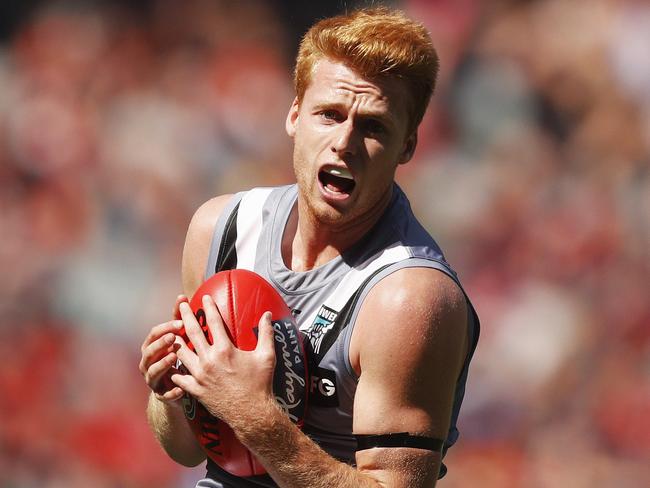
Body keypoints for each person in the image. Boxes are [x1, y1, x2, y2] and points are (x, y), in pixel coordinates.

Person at [139, 7, 479, 488]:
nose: (345, 142)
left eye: (375, 127)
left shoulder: (410, 299)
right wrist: (173, 394)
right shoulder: (221, 229)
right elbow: (188, 449)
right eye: (329, 115)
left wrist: (256, 417)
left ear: (407, 145)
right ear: (295, 115)